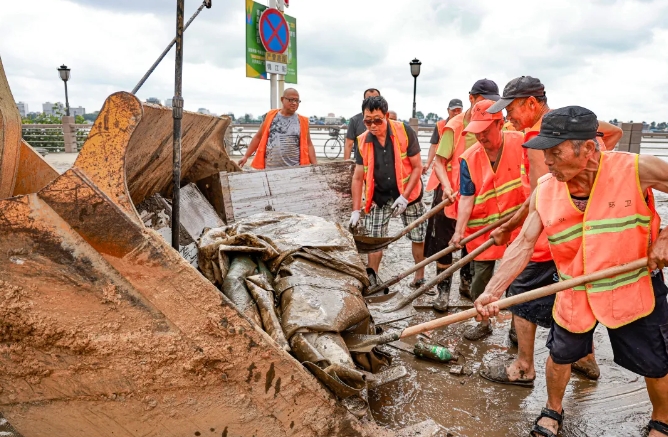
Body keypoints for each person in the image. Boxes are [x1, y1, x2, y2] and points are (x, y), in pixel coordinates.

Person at [474, 106, 668, 437]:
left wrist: (665, 238)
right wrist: (492, 291)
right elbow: (523, 244)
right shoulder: (546, 190)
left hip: (632, 287)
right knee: (560, 354)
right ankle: (553, 409)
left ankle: (662, 420)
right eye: (544, 153)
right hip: (574, 288)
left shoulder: (634, 170)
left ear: (588, 148)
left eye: (555, 152)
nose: (547, 162)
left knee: (655, 361)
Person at [479, 76, 623, 384]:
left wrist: (509, 227)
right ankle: (586, 359)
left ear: (531, 103)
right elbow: (615, 132)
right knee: (575, 292)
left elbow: (539, 200)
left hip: (550, 236)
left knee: (519, 295)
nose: (508, 118)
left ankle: (523, 366)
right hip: (583, 234)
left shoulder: (540, 137)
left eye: (512, 109)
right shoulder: (579, 127)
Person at [449, 99, 526, 340]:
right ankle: (482, 322)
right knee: (480, 279)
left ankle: (517, 329)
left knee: (518, 279)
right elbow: (466, 197)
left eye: (485, 131)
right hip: (484, 227)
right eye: (476, 132)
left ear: (500, 123)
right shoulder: (469, 158)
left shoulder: (523, 143)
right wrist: (459, 231)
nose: (480, 137)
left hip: (519, 223)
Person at [425, 80, 500, 312]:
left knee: (471, 243)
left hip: (480, 198)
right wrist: (446, 186)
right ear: (471, 98)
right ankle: (443, 292)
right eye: (483, 100)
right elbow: (439, 162)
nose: (488, 105)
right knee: (444, 245)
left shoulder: (497, 124)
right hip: (450, 195)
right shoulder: (455, 125)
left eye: (493, 102)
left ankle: (466, 285)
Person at [349, 96, 426, 286]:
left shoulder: (404, 132)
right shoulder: (362, 141)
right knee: (374, 238)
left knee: (418, 236)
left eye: (377, 120)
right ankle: (372, 278)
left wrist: (405, 197)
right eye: (368, 121)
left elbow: (417, 167)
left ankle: (419, 276)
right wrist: (356, 210)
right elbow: (358, 177)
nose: (373, 125)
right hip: (379, 196)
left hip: (409, 194)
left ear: (387, 116)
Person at [238, 88, 317, 169]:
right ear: (282, 99)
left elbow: (309, 144)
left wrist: (315, 165)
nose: (294, 103)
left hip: (294, 169)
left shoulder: (302, 121)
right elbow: (258, 137)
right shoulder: (270, 116)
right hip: (270, 169)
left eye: (297, 101)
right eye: (291, 100)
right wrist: (246, 156)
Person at [423, 99, 463, 176]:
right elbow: (434, 145)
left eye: (459, 110)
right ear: (448, 110)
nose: (456, 113)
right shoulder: (440, 125)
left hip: (458, 167)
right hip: (441, 166)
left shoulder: (466, 125)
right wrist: (427, 163)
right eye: (453, 110)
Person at [344, 88, 381, 160]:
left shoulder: (385, 120)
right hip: (360, 162)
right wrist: (346, 165)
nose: (372, 101)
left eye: (376, 98)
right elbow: (349, 144)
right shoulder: (354, 120)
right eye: (369, 99)